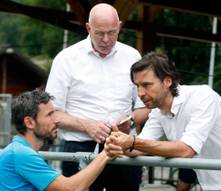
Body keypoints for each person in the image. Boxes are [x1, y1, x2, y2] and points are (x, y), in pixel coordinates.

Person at [105, 51, 221, 191]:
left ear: (167, 81)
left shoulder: (203, 96)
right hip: (211, 187)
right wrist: (118, 144)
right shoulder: (158, 111)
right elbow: (140, 146)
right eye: (137, 86)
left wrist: (132, 142)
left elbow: (186, 150)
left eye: (146, 85)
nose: (140, 93)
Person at [45, 3, 149, 191]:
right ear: (88, 28)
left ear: (120, 26)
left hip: (123, 146)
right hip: (80, 147)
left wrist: (131, 121)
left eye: (112, 32)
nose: (106, 39)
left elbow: (145, 107)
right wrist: (87, 126)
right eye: (100, 33)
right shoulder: (66, 59)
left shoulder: (133, 56)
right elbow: (52, 114)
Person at [0, 89, 112, 191]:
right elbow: (71, 188)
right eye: (49, 115)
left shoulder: (21, 151)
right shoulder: (21, 154)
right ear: (29, 122)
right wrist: (106, 153)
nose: (56, 120)